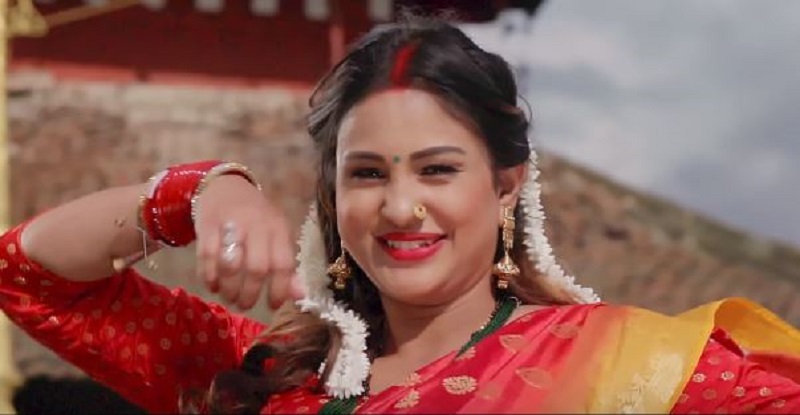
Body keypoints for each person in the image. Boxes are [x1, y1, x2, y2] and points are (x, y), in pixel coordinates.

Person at [2, 15, 799, 415]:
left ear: (507, 186)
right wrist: (205, 190)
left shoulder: (618, 366)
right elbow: (28, 276)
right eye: (367, 173)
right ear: (333, 196)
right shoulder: (270, 375)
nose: (399, 205)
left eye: (438, 169)